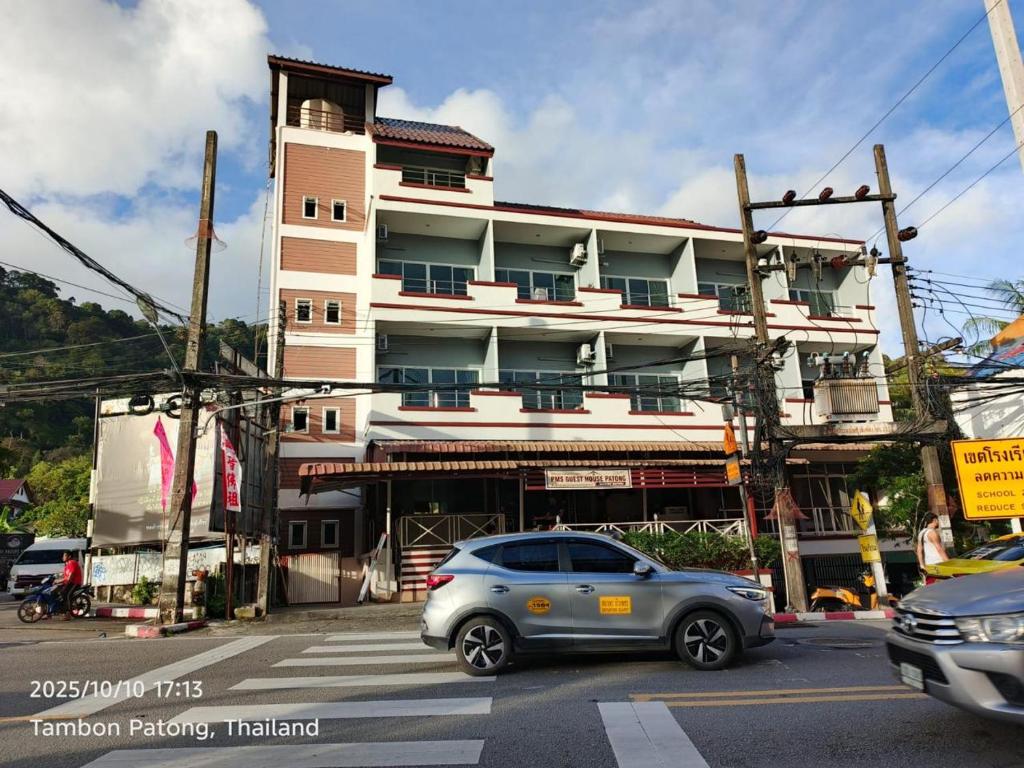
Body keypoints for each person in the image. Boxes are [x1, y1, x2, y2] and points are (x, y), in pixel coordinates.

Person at [916, 513, 948, 585]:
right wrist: (947, 562)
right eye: (938, 520)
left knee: (934, 585)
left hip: (929, 564)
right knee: (943, 585)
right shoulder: (932, 532)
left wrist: (922, 565)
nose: (938, 522)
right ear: (934, 520)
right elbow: (939, 549)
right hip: (939, 563)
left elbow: (919, 550)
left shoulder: (921, 533)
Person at [55, 551, 83, 620]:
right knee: (57, 591)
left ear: (69, 556)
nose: (63, 557)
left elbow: (70, 577)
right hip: (68, 583)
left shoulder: (72, 563)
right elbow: (65, 576)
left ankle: (68, 613)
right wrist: (57, 580)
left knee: (66, 594)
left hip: (75, 583)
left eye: (64, 556)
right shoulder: (67, 564)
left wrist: (60, 581)